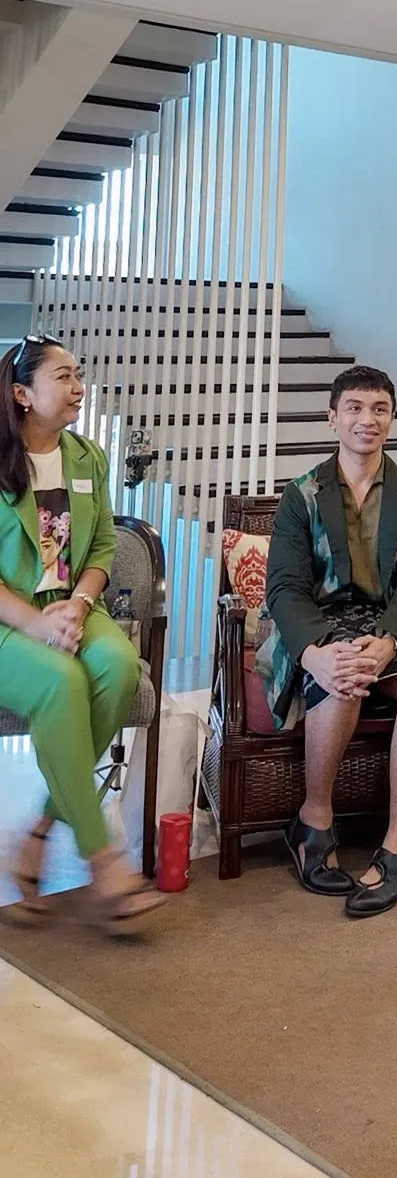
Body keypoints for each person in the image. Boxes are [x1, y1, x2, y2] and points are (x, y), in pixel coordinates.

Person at [257, 365, 397, 918]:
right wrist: (313, 652)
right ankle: (313, 822)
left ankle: (396, 849)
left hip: (392, 619)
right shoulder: (301, 494)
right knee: (343, 677)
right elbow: (283, 588)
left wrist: (390, 640)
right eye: (354, 408)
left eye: (379, 409)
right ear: (332, 418)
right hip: (322, 622)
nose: (367, 419)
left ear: (391, 418)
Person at [0, 334, 166, 931]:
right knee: (62, 682)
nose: (79, 388)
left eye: (79, 375)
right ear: (22, 394)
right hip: (9, 617)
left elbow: (100, 547)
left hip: (70, 604)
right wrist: (37, 623)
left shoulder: (87, 456)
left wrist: (79, 602)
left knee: (120, 667)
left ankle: (39, 831)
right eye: (64, 377)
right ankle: (104, 862)